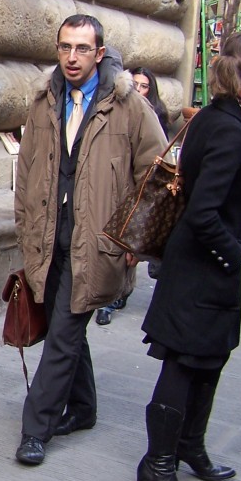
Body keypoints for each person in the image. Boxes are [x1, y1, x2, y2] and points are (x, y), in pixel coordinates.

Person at [136, 31, 241, 481]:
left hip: (206, 268)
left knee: (210, 359)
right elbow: (202, 211)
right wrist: (233, 250)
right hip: (201, 267)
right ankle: (158, 464)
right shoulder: (225, 125)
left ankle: (188, 448)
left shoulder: (222, 117)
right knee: (182, 364)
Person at [13, 14, 166, 466]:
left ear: (100, 53)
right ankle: (83, 408)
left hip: (96, 246)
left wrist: (134, 240)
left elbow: (155, 176)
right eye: (65, 47)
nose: (72, 57)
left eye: (82, 48)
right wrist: (24, 224)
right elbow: (26, 168)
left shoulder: (128, 106)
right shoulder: (44, 101)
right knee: (66, 328)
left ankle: (35, 428)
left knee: (62, 335)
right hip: (48, 240)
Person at [96, 67, 171, 326]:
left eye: (144, 85)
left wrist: (143, 236)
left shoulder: (151, 114)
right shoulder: (113, 109)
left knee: (122, 253)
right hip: (106, 198)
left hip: (131, 198)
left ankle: (114, 297)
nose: (138, 89)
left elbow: (155, 172)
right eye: (135, 84)